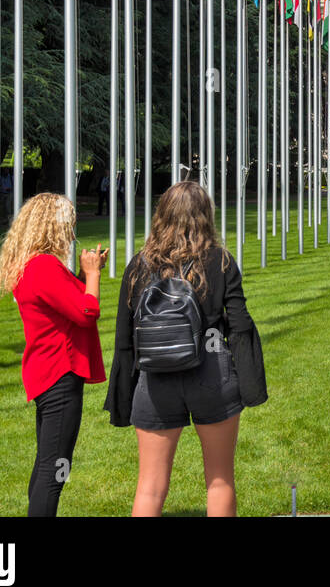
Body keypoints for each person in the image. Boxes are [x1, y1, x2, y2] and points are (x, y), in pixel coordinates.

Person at [105, 181, 267, 517]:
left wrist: (122, 397)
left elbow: (125, 339)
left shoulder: (138, 265)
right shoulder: (220, 261)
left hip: (154, 379)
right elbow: (240, 326)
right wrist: (251, 387)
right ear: (206, 216)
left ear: (161, 215)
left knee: (149, 487)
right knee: (220, 480)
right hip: (212, 373)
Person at [0, 193, 107, 517]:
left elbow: (69, 303)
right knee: (55, 468)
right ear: (52, 228)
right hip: (59, 373)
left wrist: (88, 273)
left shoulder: (32, 265)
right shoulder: (43, 266)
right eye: (68, 226)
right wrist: (95, 275)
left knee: (48, 463)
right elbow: (86, 312)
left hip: (47, 373)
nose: (72, 235)